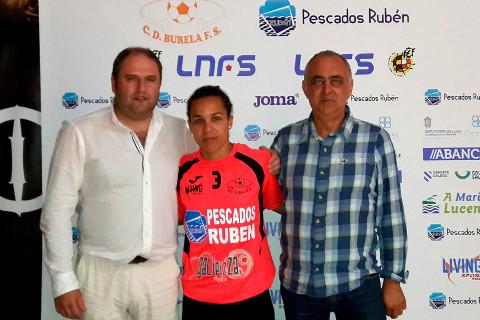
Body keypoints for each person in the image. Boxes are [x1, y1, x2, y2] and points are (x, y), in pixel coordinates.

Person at [40, 47, 198, 320]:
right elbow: (56, 211)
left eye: (150, 79)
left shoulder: (181, 132)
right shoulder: (80, 132)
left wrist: (266, 161)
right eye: (131, 78)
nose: (141, 88)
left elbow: (219, 162)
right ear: (114, 82)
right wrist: (63, 280)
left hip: (160, 274)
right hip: (99, 276)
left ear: (160, 84)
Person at [271, 50, 408, 320]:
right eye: (318, 81)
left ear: (350, 86)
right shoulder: (286, 141)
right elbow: (272, 199)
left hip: (359, 285)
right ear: (305, 87)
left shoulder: (375, 140)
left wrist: (393, 279)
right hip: (300, 286)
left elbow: (390, 213)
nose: (327, 90)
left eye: (336, 81)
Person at [177, 85, 284, 320]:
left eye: (216, 118)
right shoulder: (182, 170)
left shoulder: (258, 162)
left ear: (230, 121)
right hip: (200, 297)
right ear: (190, 126)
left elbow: (282, 206)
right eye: (198, 120)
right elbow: (172, 218)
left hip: (252, 296)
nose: (207, 129)